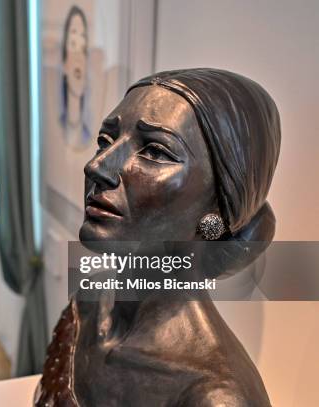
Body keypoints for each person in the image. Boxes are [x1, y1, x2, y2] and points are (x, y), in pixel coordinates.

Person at [36, 68, 279, 406]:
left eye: (155, 151)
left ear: (216, 214)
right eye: (105, 141)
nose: (98, 167)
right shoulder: (88, 305)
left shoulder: (213, 397)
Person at [60, 5, 91, 149]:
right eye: (73, 45)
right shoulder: (57, 129)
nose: (79, 59)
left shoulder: (90, 134)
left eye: (83, 49)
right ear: (64, 64)